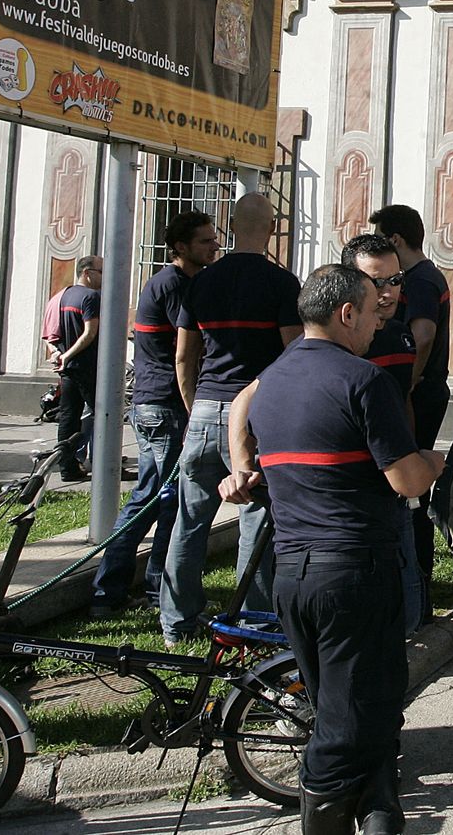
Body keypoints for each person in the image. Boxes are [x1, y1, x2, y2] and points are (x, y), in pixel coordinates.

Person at [220, 264, 443, 835]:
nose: (377, 322)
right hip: (353, 570)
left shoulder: (271, 379)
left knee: (356, 705)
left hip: (293, 572)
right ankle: (330, 813)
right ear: (346, 313)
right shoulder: (364, 381)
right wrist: (437, 463)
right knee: (344, 725)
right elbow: (408, 482)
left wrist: (242, 467)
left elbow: (238, 410)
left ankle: (378, 813)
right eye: (373, 310)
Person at [162, 193, 301, 647]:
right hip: (255, 415)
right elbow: (292, 355)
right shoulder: (281, 283)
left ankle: (175, 622)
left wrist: (195, 408)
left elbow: (185, 356)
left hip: (204, 407)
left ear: (231, 226)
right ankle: (253, 623)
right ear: (274, 226)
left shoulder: (201, 282)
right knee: (256, 520)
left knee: (188, 521)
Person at [90, 214, 220, 618]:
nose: (214, 248)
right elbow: (187, 353)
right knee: (161, 499)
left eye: (215, 240)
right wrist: (192, 405)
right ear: (180, 247)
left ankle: (126, 589)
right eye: (204, 242)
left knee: (155, 497)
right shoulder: (175, 286)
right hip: (164, 404)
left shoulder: (177, 283)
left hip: (156, 403)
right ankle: (134, 590)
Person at [369, 204, 452, 624]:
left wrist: (408, 383)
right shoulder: (427, 276)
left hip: (419, 395)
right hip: (419, 392)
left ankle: (417, 584)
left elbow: (423, 334)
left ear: (397, 241)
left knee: (412, 491)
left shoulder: (419, 280)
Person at [340, 234, 425, 635]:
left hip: (393, 482)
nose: (388, 292)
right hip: (349, 494)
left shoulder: (400, 333)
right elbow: (252, 396)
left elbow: (403, 398)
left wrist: (407, 455)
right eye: (377, 282)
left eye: (395, 280)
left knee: (405, 601)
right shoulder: (336, 339)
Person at [52, 256, 103, 482]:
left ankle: (67, 467)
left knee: (68, 418)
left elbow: (51, 330)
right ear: (88, 273)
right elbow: (90, 333)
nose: (106, 276)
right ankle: (104, 465)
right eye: (102, 271)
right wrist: (69, 354)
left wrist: (58, 354)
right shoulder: (91, 297)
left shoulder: (64, 295)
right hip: (87, 367)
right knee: (104, 416)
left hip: (69, 369)